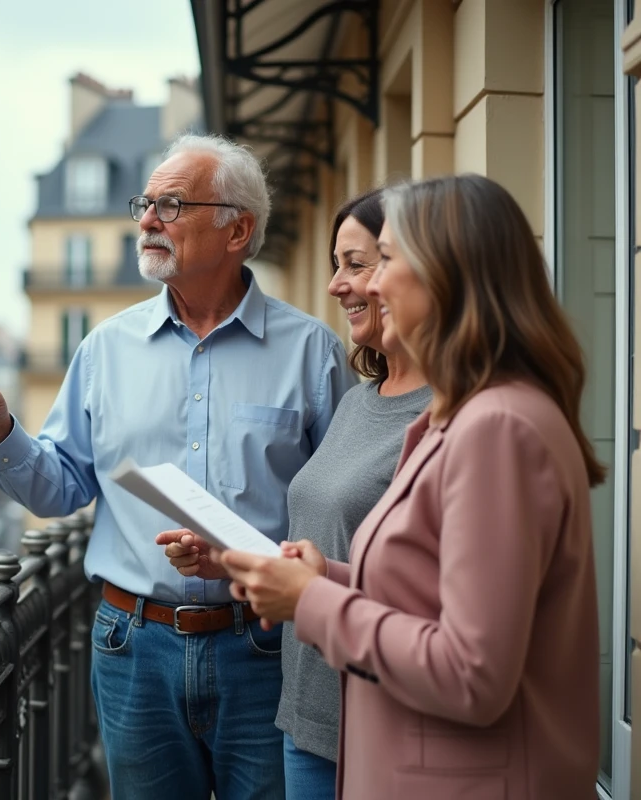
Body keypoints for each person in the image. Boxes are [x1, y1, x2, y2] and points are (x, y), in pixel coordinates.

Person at [0, 133, 356, 799]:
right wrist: (0, 433)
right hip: (132, 649)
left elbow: (339, 506)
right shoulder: (105, 350)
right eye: (145, 203)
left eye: (172, 205)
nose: (147, 220)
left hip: (266, 647)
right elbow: (61, 489)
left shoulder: (313, 355)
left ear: (238, 230)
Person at [213, 174, 602, 798]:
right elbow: (432, 598)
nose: (371, 283)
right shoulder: (470, 413)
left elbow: (471, 672)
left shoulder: (497, 425)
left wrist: (311, 602)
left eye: (386, 259)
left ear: (450, 274)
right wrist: (322, 579)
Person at [159, 186, 431, 800]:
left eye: (357, 264)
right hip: (308, 713)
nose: (337, 285)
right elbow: (337, 546)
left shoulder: (455, 417)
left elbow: (437, 598)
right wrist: (230, 560)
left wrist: (311, 589)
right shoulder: (360, 400)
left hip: (386, 725)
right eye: (336, 265)